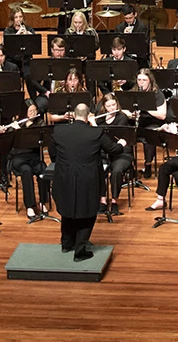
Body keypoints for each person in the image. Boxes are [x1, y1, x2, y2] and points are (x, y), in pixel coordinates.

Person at [49, 103, 128, 261]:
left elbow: (53, 153)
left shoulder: (58, 131)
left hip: (64, 176)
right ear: (87, 116)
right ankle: (80, 250)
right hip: (88, 178)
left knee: (67, 206)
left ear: (73, 114)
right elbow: (113, 150)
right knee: (88, 211)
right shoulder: (95, 132)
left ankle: (66, 243)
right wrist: (122, 144)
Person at [6, 101, 51, 221]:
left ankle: (42, 201)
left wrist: (21, 131)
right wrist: (12, 130)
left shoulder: (39, 123)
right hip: (18, 158)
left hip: (34, 157)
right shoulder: (17, 124)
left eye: (35, 110)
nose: (33, 113)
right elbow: (8, 142)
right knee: (26, 171)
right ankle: (30, 206)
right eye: (30, 111)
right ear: (24, 112)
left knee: (43, 169)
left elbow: (41, 138)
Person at [92, 93, 135, 215]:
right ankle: (103, 200)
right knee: (98, 168)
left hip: (121, 153)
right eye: (109, 106)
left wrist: (95, 126)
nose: (112, 108)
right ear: (104, 107)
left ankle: (114, 200)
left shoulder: (122, 117)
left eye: (114, 105)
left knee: (116, 171)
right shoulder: (100, 118)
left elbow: (105, 136)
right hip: (104, 153)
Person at [135, 68, 168, 177]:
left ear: (150, 80)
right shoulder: (135, 91)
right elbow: (123, 108)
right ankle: (129, 167)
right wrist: (131, 114)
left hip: (152, 123)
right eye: (139, 80)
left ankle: (148, 165)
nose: (141, 83)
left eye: (144, 80)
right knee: (126, 133)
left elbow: (162, 115)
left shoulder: (157, 94)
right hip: (138, 123)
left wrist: (146, 107)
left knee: (149, 135)